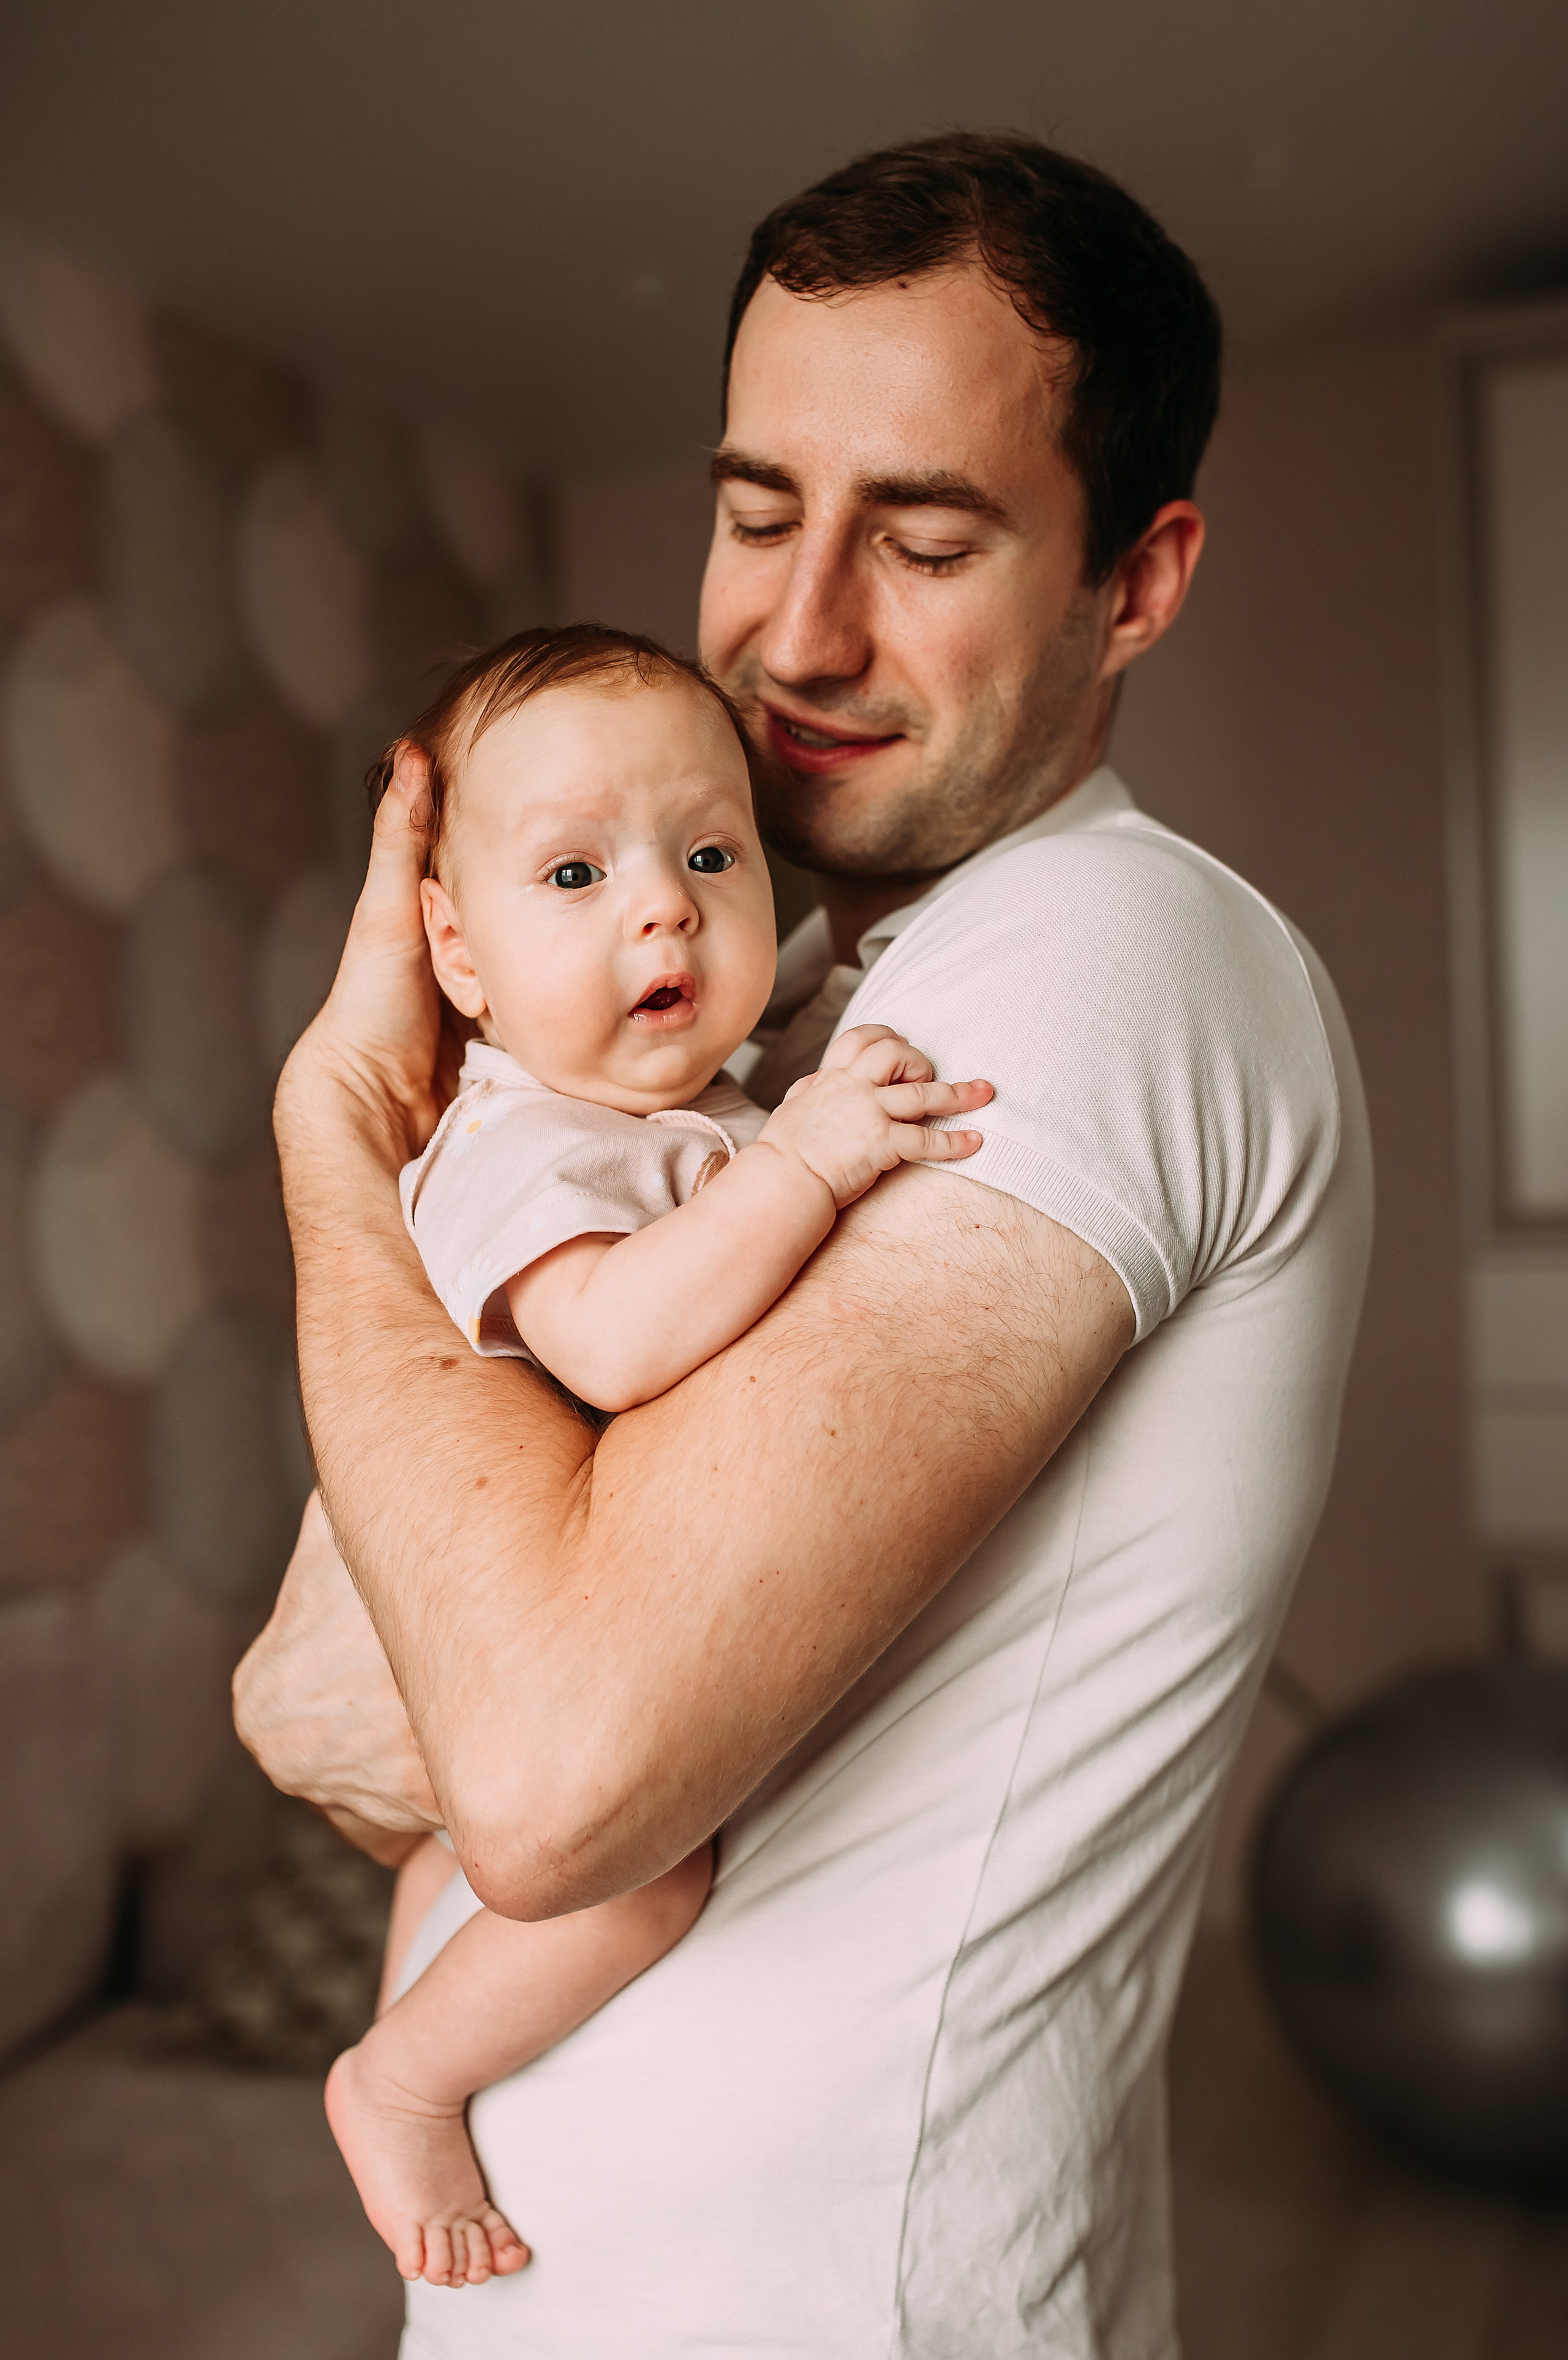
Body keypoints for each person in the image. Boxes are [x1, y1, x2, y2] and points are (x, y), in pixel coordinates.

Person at [235, 131, 1373, 2356]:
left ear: (1137, 582)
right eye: (759, 510)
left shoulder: (1103, 953)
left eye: (924, 536)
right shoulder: (796, 1023)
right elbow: (323, 1701)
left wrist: (328, 1137)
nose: (796, 626)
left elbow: (540, 1777)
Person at [323, 621, 989, 2290]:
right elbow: (613, 1337)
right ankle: (400, 2077)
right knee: (643, 1875)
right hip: (496, 1639)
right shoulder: (514, 1143)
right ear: (458, 961)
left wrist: (804, 1072)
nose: (664, 904)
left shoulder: (682, 1105)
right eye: (574, 870)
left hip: (561, 1626)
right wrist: (812, 1167)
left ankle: (422, 1979)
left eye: (709, 852)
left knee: (473, 1871)